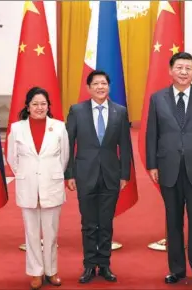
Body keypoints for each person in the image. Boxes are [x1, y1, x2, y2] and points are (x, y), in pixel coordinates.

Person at [145, 52, 192, 287]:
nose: (184, 72)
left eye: (188, 68)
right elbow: (152, 134)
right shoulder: (157, 99)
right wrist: (152, 164)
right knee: (173, 221)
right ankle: (176, 269)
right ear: (170, 71)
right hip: (169, 169)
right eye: (179, 67)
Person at [65, 70, 132, 284]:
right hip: (85, 175)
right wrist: (70, 174)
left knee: (105, 223)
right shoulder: (77, 111)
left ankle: (104, 264)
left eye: (104, 83)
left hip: (111, 176)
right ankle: (88, 265)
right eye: (96, 83)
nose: (100, 87)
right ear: (88, 87)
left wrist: (124, 174)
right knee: (88, 223)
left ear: (109, 87)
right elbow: (68, 143)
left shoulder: (120, 112)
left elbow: (126, 146)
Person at [7, 87, 69, 290]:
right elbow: (12, 158)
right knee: (31, 234)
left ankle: (51, 271)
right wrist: (27, 173)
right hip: (28, 186)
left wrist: (50, 174)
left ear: (48, 106)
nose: (39, 108)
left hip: (51, 184)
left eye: (43, 104)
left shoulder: (59, 127)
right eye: (35, 104)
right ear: (28, 106)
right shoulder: (17, 128)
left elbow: (64, 158)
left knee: (51, 233)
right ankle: (35, 272)